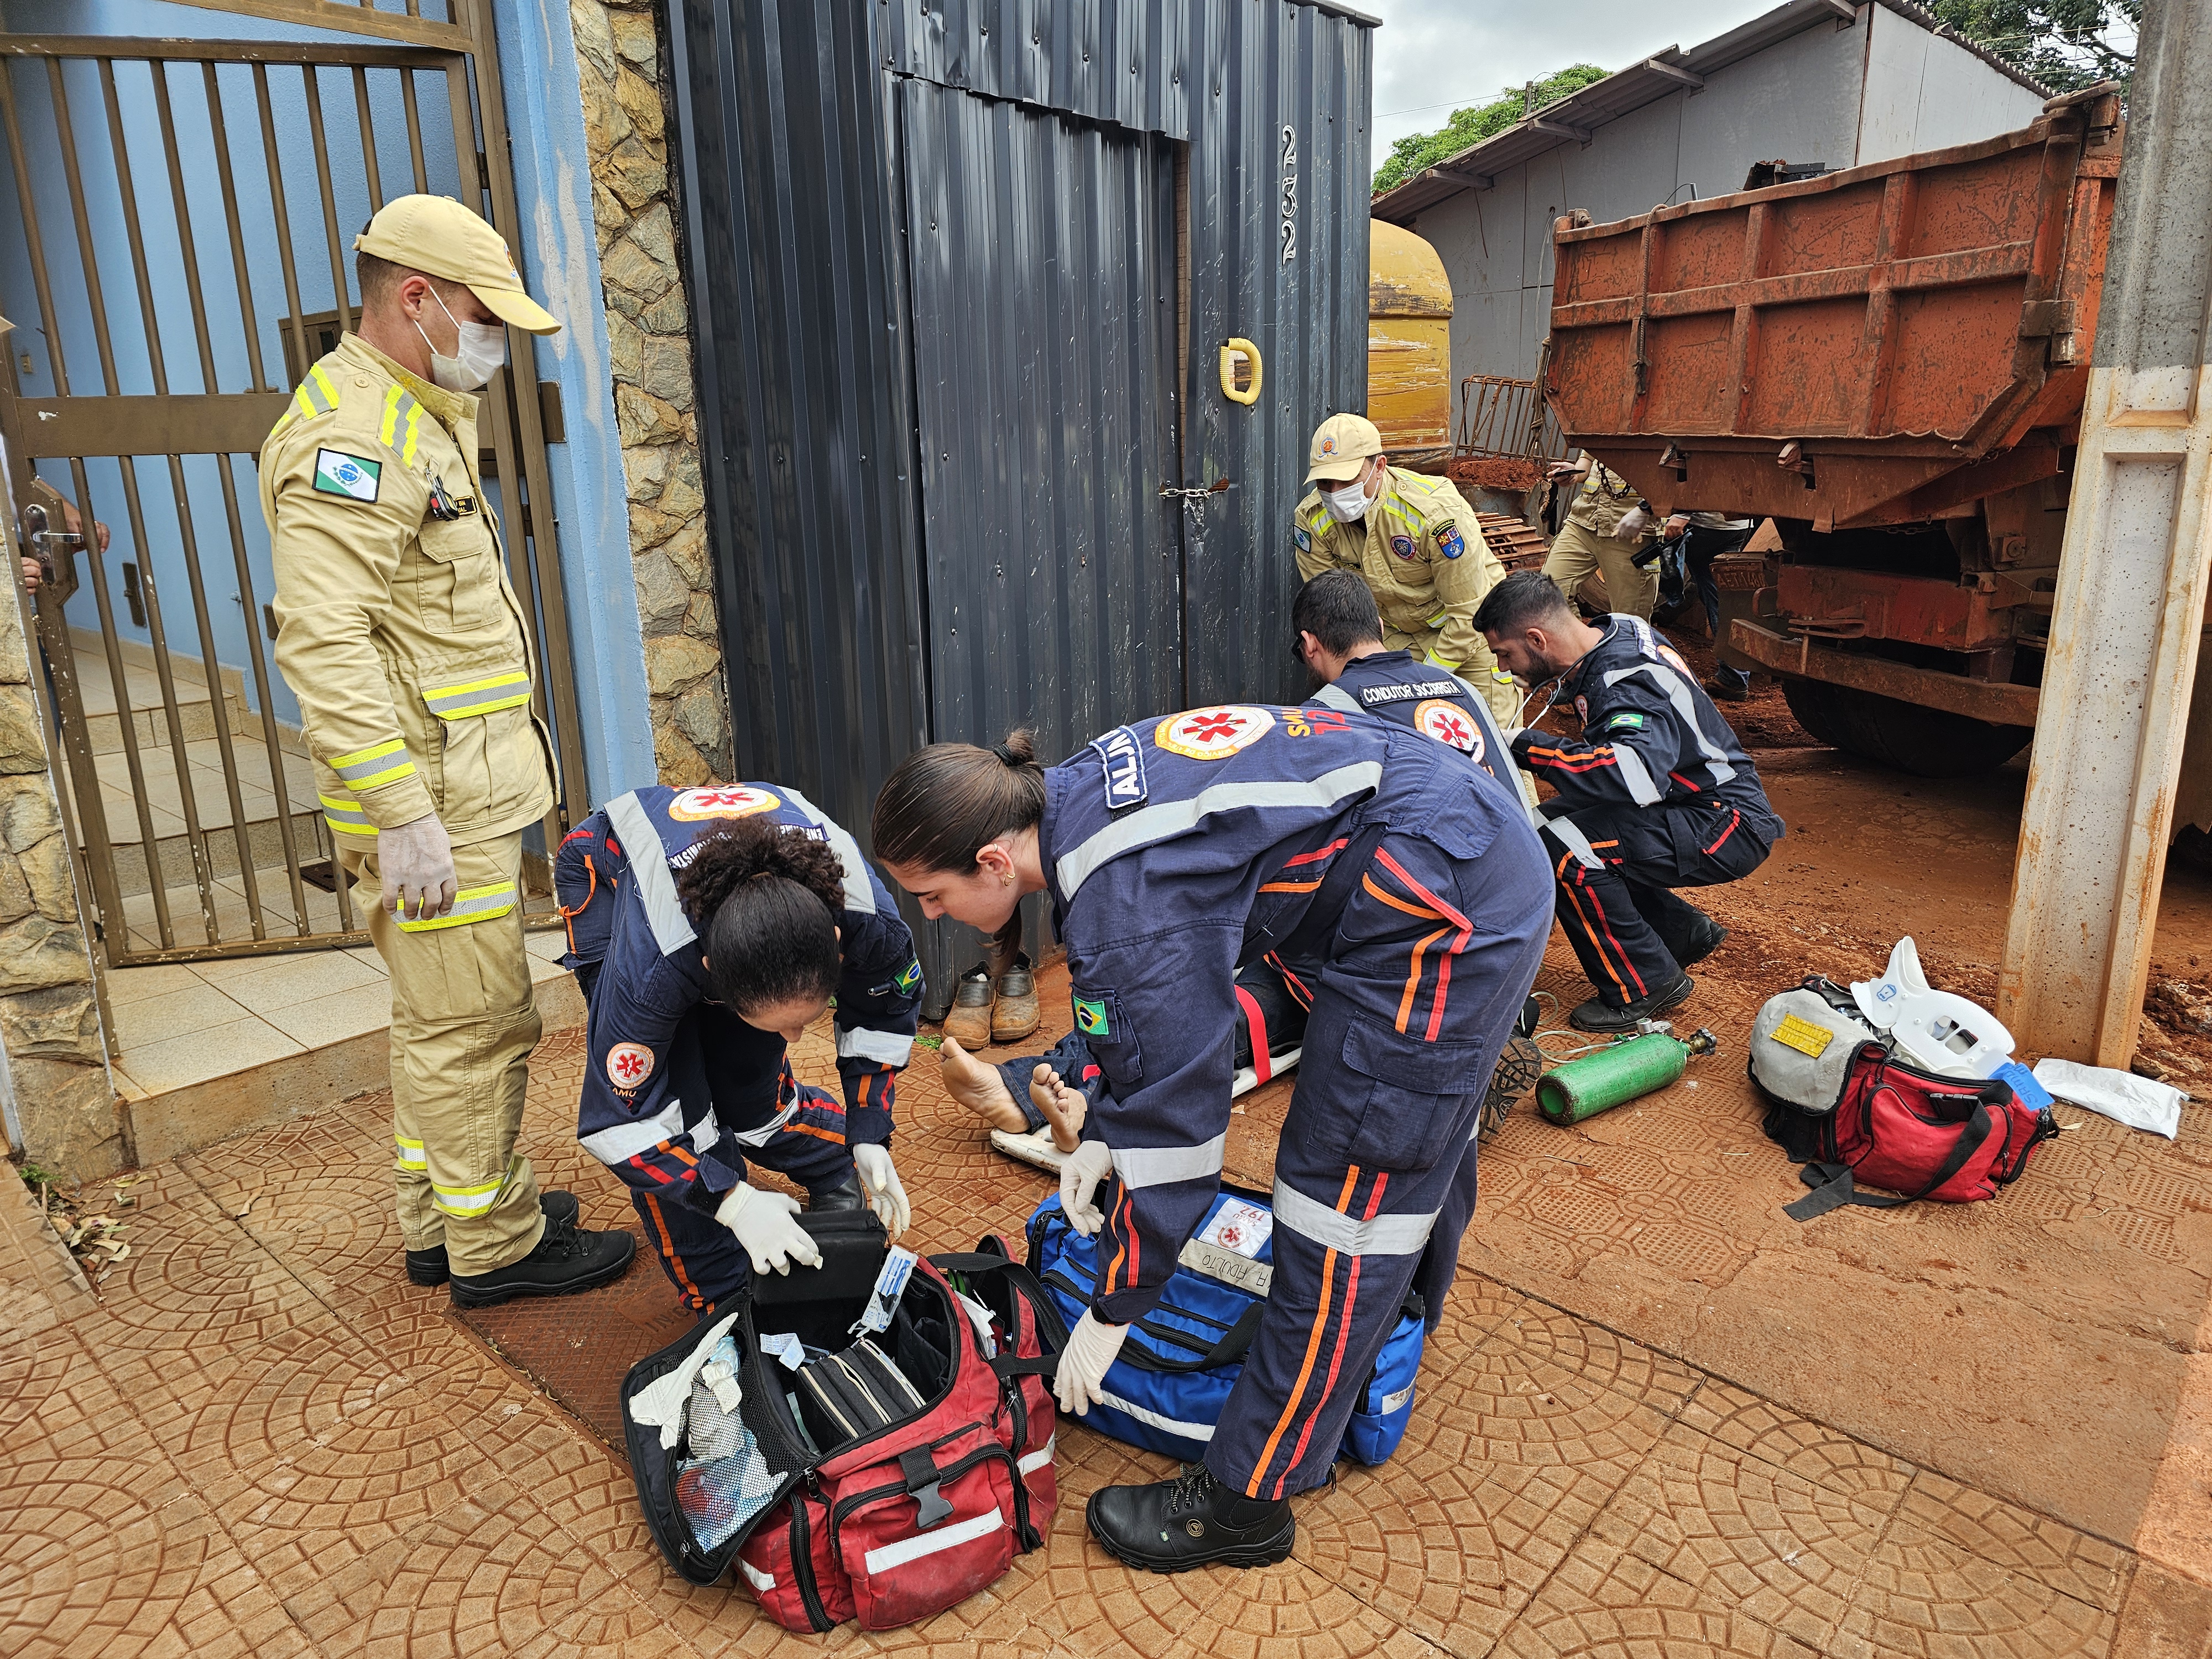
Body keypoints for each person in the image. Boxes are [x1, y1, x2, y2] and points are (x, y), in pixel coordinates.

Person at [872, 712, 1551, 1573]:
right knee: (1409, 1140)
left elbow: (1181, 1143)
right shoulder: (1074, 799)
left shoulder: (1122, 904)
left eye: (934, 895)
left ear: (995, 860)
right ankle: (1382, 1338)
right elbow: (1162, 1033)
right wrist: (1105, 1133)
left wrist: (1115, 1307)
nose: (934, 914)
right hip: (1425, 859)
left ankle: (1247, 1500)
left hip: (1444, 910)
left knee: (1347, 1197)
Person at [258, 192, 632, 1306]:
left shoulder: (408, 410)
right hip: (434, 805)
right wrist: (403, 813)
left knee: (437, 1021)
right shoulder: (354, 442)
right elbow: (323, 639)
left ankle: (442, 1219)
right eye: (483, 317)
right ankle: (498, 1246)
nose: (496, 343)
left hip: (454, 785)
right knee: (478, 1025)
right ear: (414, 299)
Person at [557, 784, 921, 1313]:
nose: (794, 1040)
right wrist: (733, 1202)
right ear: (711, 977)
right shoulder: (654, 967)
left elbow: (885, 1012)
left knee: (752, 1091)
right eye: (782, 1024)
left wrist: (868, 1131)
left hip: (746, 896)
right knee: (683, 1114)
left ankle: (833, 1163)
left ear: (839, 947)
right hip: (607, 876)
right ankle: (722, 1296)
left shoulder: (869, 921)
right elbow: (622, 1122)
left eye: (808, 1019)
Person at [1477, 571, 1784, 1032]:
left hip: (1726, 823)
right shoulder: (1614, 630)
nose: (1503, 668)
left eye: (1505, 654)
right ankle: (1679, 932)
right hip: (1688, 799)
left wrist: (1522, 745)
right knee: (1544, 828)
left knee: (1570, 851)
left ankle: (1642, 984)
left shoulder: (1621, 680)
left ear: (1537, 638)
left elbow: (1629, 774)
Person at [1291, 414, 1517, 726]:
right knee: (1403, 747)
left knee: (1490, 745)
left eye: (1347, 480)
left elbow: (1469, 612)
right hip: (1398, 640)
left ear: (1379, 467)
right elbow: (1337, 613)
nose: (1334, 492)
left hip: (1473, 637)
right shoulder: (1312, 520)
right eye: (1325, 482)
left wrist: (1426, 679)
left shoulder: (1434, 512)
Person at [1290, 568, 1526, 804]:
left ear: (1310, 644)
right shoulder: (1466, 690)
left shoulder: (1321, 715)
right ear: (1380, 628)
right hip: (1522, 834)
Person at [1542, 456, 1659, 620]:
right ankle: (1581, 644)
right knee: (1546, 595)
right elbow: (1588, 457)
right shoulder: (1600, 428)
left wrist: (1646, 510)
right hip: (1584, 521)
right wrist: (1575, 473)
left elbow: (1680, 472)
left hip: (1629, 533)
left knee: (1629, 620)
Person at [1662, 509, 1759, 701]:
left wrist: (1682, 513)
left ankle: (1733, 676)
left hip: (1706, 526)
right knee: (1724, 597)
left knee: (1717, 597)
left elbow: (1695, 480)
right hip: (1737, 526)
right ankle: (1734, 675)